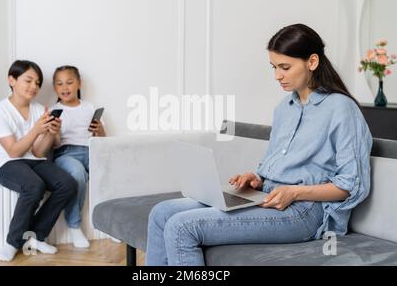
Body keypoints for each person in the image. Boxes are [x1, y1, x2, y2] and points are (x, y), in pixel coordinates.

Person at [145, 23, 373, 266]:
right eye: (274, 67)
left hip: (305, 210)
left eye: (285, 67)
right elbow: (276, 162)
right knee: (161, 213)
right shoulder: (283, 109)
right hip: (265, 195)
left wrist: (295, 192)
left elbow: (352, 185)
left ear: (312, 62)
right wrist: (256, 177)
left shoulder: (341, 109)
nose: (277, 76)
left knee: (182, 227)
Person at [0, 60, 77, 262]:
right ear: (12, 80)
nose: (34, 87)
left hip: (33, 161)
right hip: (8, 164)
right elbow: (13, 151)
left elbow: (37, 152)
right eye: (28, 80)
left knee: (68, 184)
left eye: (37, 83)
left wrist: (52, 133)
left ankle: (36, 236)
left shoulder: (38, 109)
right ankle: (12, 242)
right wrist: (37, 129)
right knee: (34, 186)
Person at [50, 65, 106, 248]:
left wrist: (100, 130)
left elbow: (102, 140)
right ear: (54, 87)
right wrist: (55, 132)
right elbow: (55, 145)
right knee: (77, 175)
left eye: (69, 82)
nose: (65, 87)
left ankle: (112, 225)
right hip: (65, 153)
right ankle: (74, 226)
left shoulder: (89, 107)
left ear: (79, 84)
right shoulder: (54, 110)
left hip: (90, 150)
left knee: (112, 173)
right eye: (59, 84)